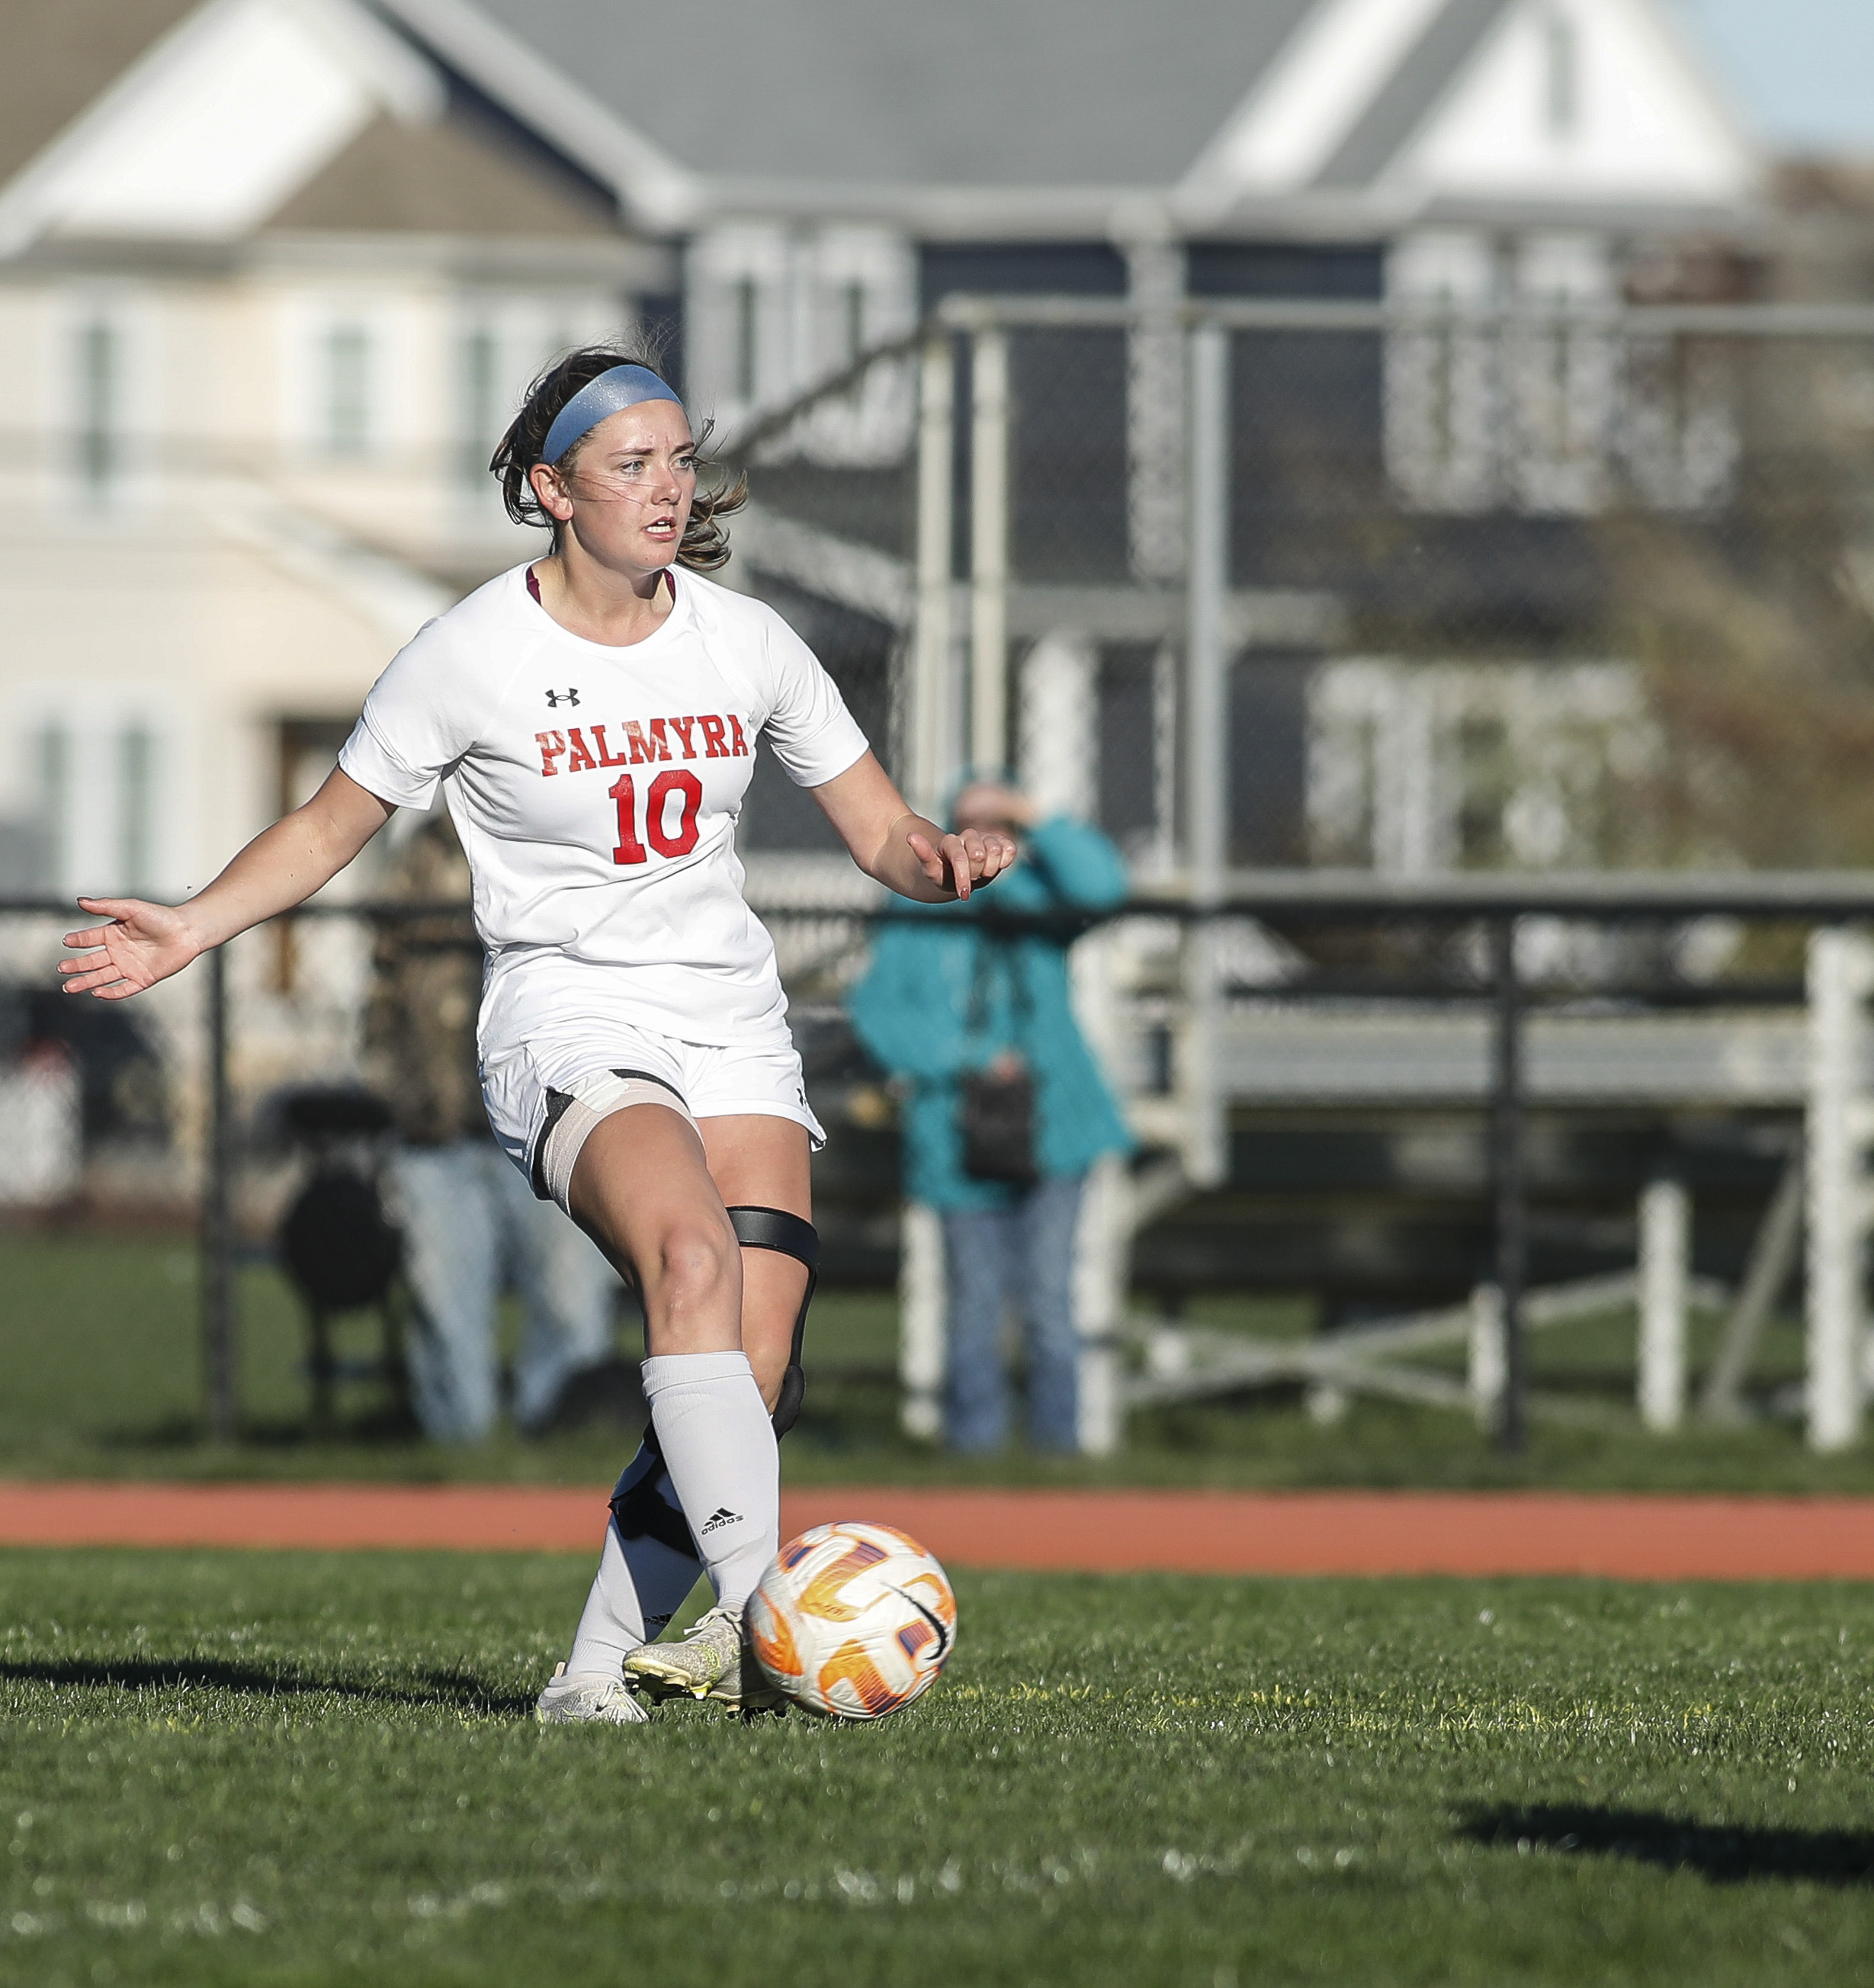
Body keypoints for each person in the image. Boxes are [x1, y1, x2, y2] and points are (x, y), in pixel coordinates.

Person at [60, 347, 1013, 1726]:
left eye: (682, 458)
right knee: (686, 1255)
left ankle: (591, 1675)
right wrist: (197, 923)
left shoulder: (744, 641)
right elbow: (335, 821)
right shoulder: (474, 651)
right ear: (551, 488)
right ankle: (763, 1628)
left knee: (751, 1367)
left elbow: (885, 835)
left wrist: (949, 858)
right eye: (634, 463)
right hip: (568, 1018)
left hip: (730, 1022)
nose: (669, 487)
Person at [847, 779, 1131, 1453]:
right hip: (953, 1132)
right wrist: (971, 1054)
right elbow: (880, 1016)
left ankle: (1056, 1452)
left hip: (1056, 1124)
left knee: (1050, 1297)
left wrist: (1028, 814)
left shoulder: (1036, 892)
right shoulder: (911, 906)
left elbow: (1104, 886)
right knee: (973, 1300)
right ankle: (974, 1452)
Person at [364, 811, 620, 1442]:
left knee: (571, 1301)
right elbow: (383, 986)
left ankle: (562, 1436)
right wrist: (390, 1090)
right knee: (445, 1305)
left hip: (554, 1124)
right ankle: (462, 1458)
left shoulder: (574, 834)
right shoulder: (424, 854)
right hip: (437, 1129)